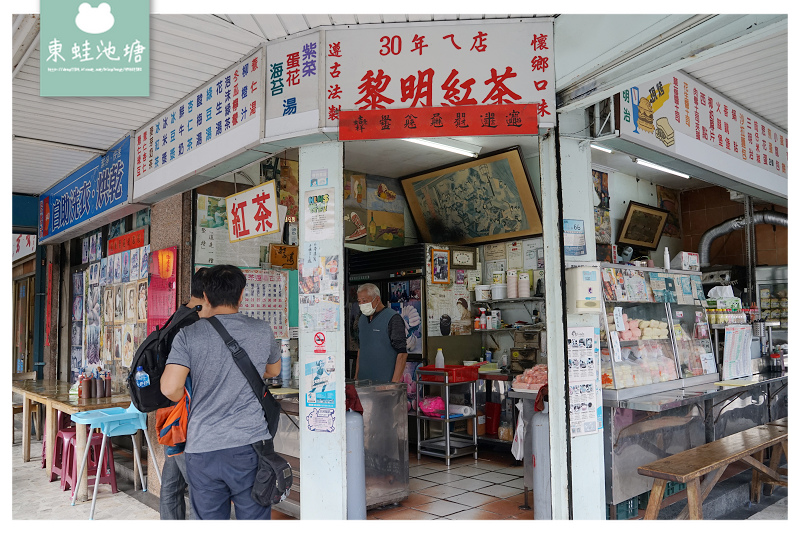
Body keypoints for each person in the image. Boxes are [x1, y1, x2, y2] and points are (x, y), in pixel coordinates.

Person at [161, 264, 281, 520]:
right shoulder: (262, 330)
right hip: (250, 447)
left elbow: (171, 389)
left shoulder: (188, 335)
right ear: (241, 296)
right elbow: (273, 370)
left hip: (203, 447)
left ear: (205, 296)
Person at [158, 267, 213, 520]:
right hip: (182, 414)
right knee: (200, 487)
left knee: (172, 481)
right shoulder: (193, 324)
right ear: (206, 293)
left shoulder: (180, 314)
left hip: (170, 411)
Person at [355, 283, 407, 383]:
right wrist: (356, 377)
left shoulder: (392, 318)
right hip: (363, 383)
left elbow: (402, 354)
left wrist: (393, 384)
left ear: (377, 299)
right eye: (359, 301)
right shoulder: (361, 319)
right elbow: (360, 349)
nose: (361, 304)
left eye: (364, 301)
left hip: (385, 383)